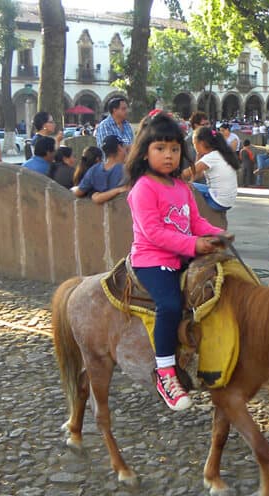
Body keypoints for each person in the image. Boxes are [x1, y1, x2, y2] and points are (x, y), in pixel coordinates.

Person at [124, 110, 227, 411]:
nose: (168, 155)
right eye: (160, 148)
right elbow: (153, 233)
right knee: (169, 305)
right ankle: (165, 371)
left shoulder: (182, 187)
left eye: (174, 149)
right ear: (144, 153)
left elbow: (195, 221)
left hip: (182, 254)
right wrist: (195, 244)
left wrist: (218, 234)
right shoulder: (143, 188)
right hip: (153, 259)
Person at [180, 125, 239, 212]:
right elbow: (198, 174)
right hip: (228, 201)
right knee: (190, 185)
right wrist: (198, 156)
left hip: (217, 201)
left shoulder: (211, 157)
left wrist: (170, 177)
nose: (194, 147)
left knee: (182, 187)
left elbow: (187, 173)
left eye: (194, 144)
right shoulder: (221, 154)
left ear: (201, 143)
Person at [72, 135, 129, 203]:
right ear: (119, 148)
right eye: (125, 148)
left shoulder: (94, 169)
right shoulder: (127, 171)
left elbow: (78, 192)